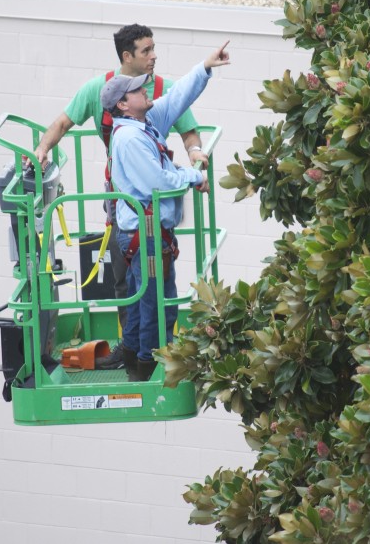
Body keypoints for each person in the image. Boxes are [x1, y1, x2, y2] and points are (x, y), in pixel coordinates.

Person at [31, 24, 209, 370]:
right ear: (127, 57)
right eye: (147, 50)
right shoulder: (111, 101)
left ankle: (136, 351)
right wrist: (41, 149)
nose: (154, 56)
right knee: (140, 288)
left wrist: (205, 70)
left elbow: (183, 115)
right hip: (135, 206)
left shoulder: (149, 102)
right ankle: (143, 357)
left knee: (147, 288)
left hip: (139, 206)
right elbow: (64, 123)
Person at [102, 41, 230, 381]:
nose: (144, 89)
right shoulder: (130, 139)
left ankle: (134, 356)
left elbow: (176, 99)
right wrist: (194, 176)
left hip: (145, 233)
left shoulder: (143, 124)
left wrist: (205, 66)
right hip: (144, 234)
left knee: (142, 297)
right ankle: (148, 365)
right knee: (157, 303)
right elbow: (157, 182)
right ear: (123, 104)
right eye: (136, 90)